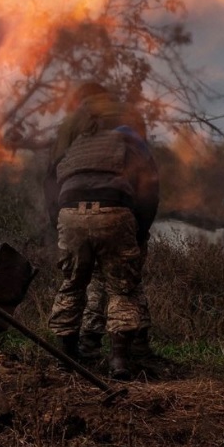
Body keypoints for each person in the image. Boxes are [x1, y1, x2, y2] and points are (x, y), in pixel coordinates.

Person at [46, 83, 157, 380]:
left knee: (71, 285)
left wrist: (57, 220)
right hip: (114, 209)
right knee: (122, 288)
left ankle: (66, 358)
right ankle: (119, 362)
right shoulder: (129, 137)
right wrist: (140, 229)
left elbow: (51, 183)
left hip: (69, 212)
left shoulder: (73, 141)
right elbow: (148, 188)